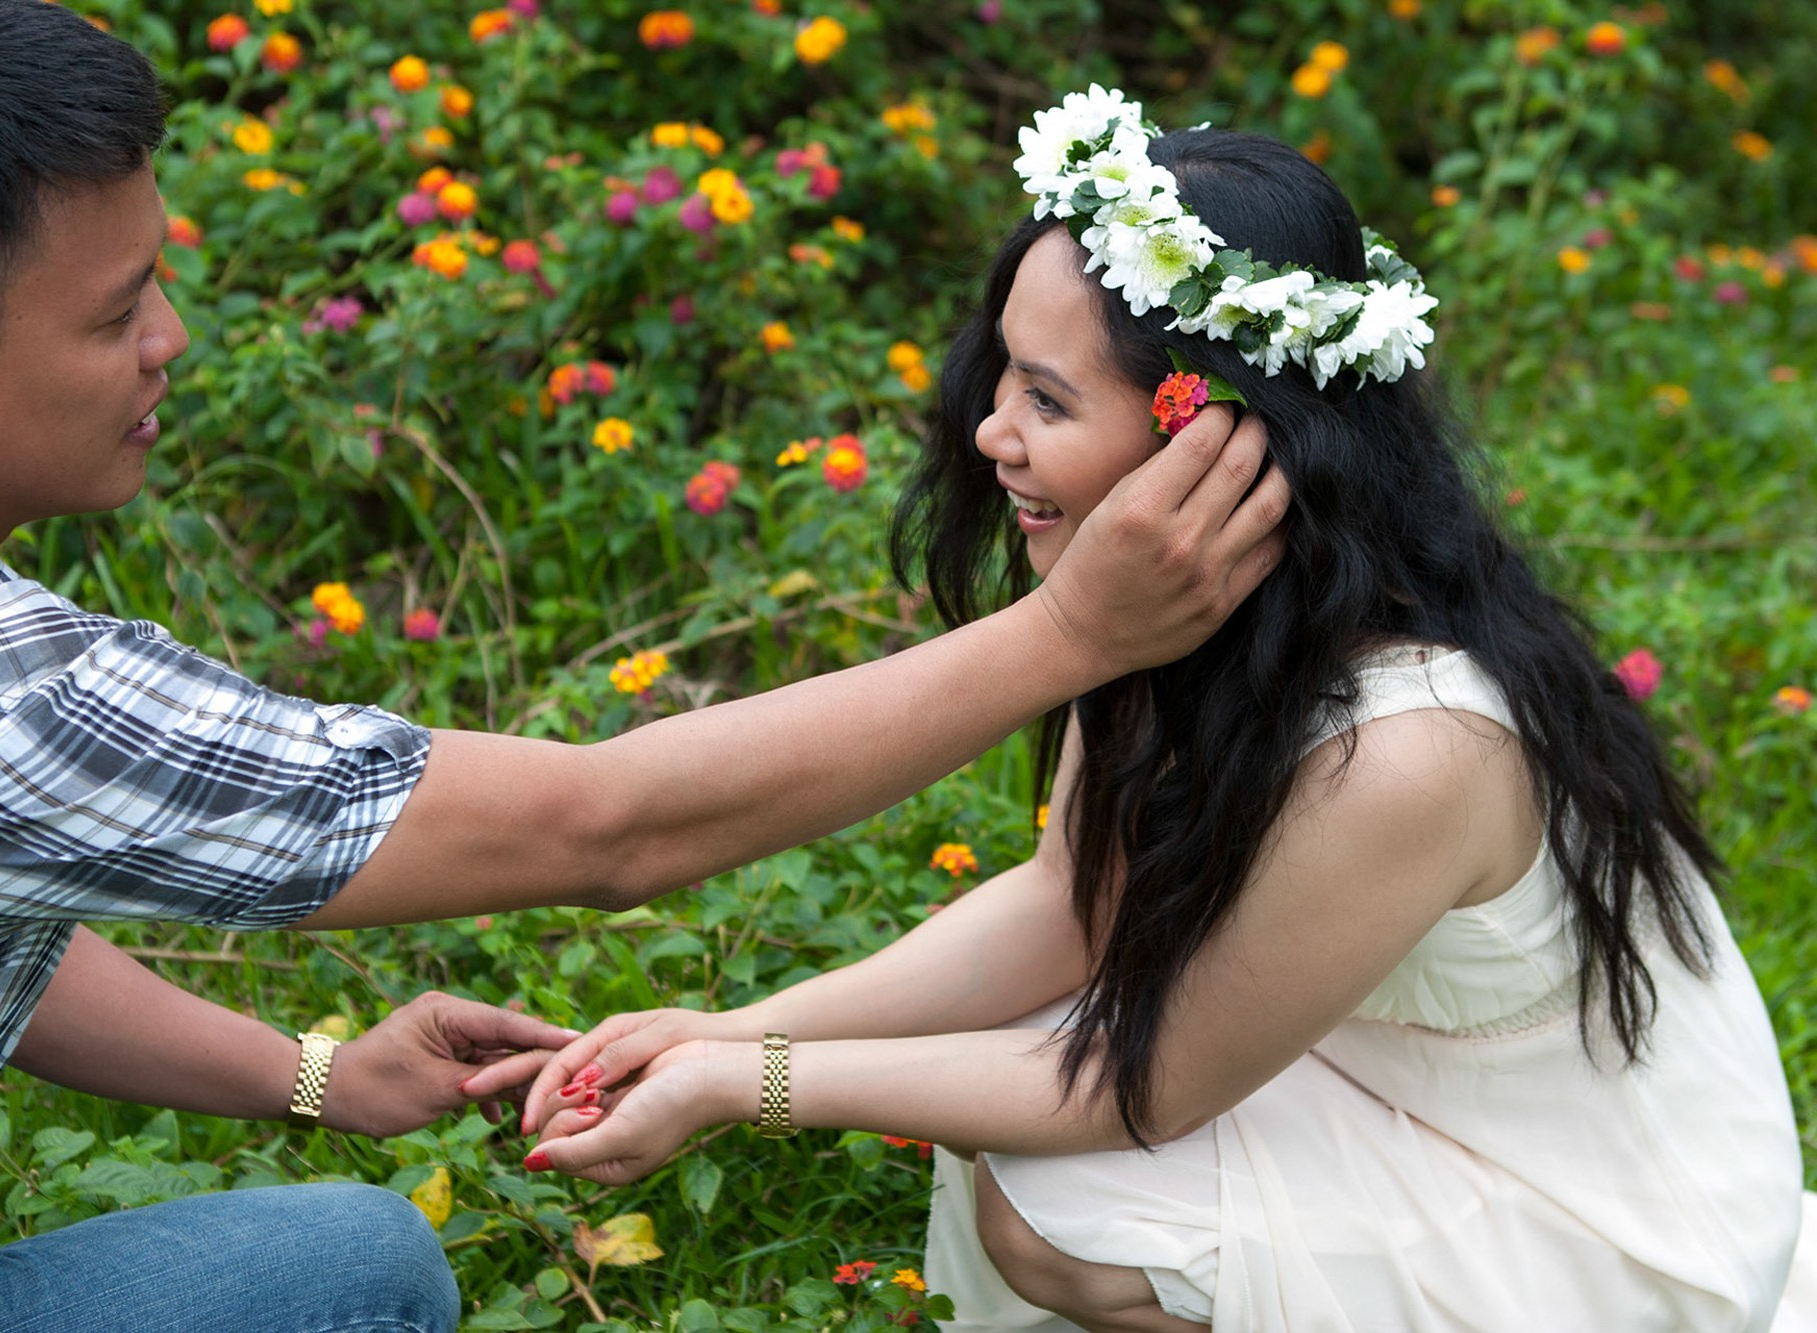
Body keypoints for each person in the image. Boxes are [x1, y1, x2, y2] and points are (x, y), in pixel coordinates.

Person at [0, 8, 1288, 1330]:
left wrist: (313, 1073)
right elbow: (606, 826)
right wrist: (1072, 635)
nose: (171, 338)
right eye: (114, 311)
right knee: (363, 1277)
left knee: (358, 1256)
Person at [518, 89, 1811, 1331]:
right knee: (1021, 1096)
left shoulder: (1417, 743)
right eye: (1004, 375)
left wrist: (742, 1083)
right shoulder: (1172, 601)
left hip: (1590, 1203)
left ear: (1214, 438)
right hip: (1387, 1071)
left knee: (1061, 1206)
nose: (990, 432)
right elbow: (1068, 907)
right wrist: (727, 1026)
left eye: (1047, 399)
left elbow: (1143, 1084)